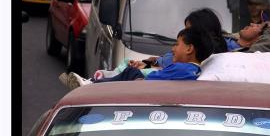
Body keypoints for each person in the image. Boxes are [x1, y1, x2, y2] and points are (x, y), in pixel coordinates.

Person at [59, 27, 214, 89]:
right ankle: (95, 81)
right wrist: (144, 65)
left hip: (145, 86)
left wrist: (139, 77)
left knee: (129, 72)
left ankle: (93, 84)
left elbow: (156, 78)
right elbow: (159, 65)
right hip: (148, 77)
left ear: (189, 48)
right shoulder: (191, 69)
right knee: (128, 69)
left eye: (177, 44)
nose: (173, 48)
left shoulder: (182, 68)